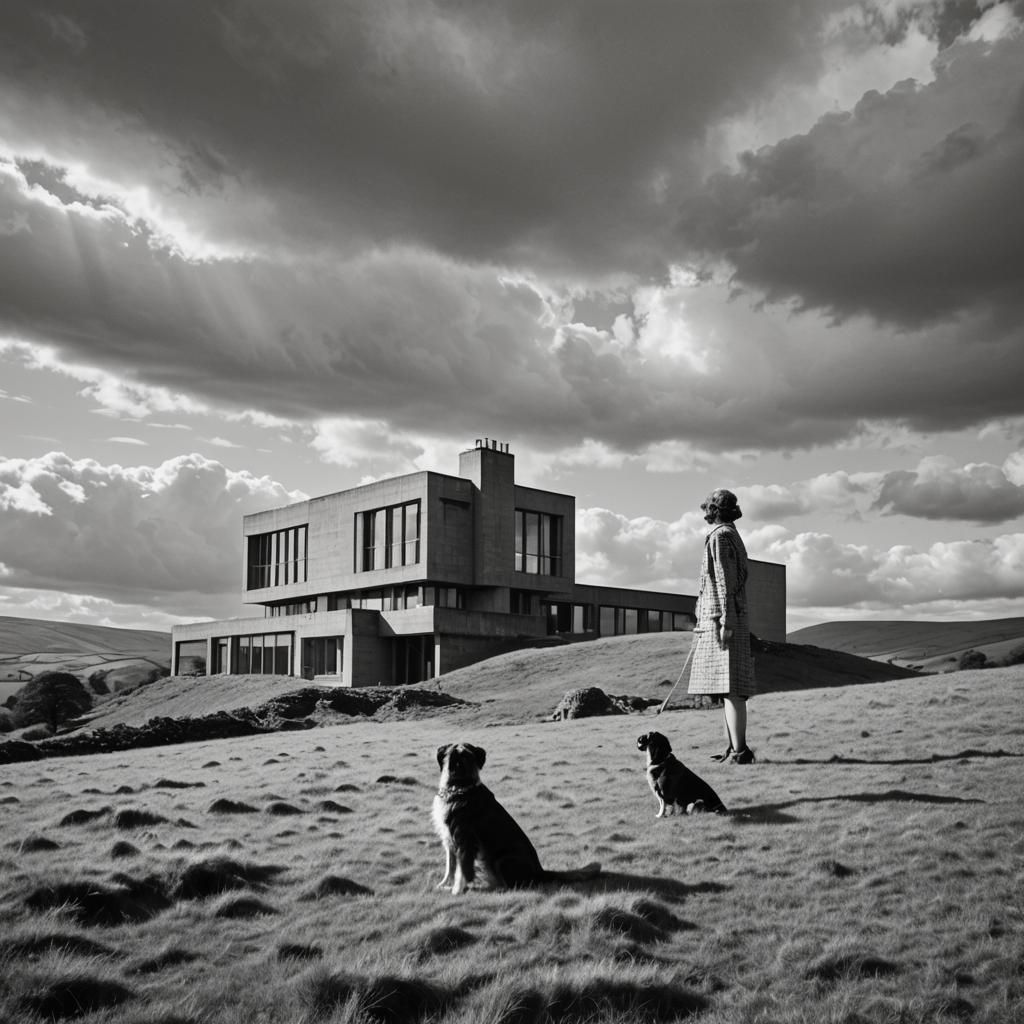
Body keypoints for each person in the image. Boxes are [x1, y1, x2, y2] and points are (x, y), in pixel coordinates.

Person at [686, 487, 757, 764]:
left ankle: (740, 752)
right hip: (725, 617)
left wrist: (725, 620)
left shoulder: (721, 536)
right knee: (728, 688)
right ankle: (733, 748)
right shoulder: (730, 535)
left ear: (712, 510)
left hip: (723, 619)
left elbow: (725, 581)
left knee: (732, 689)